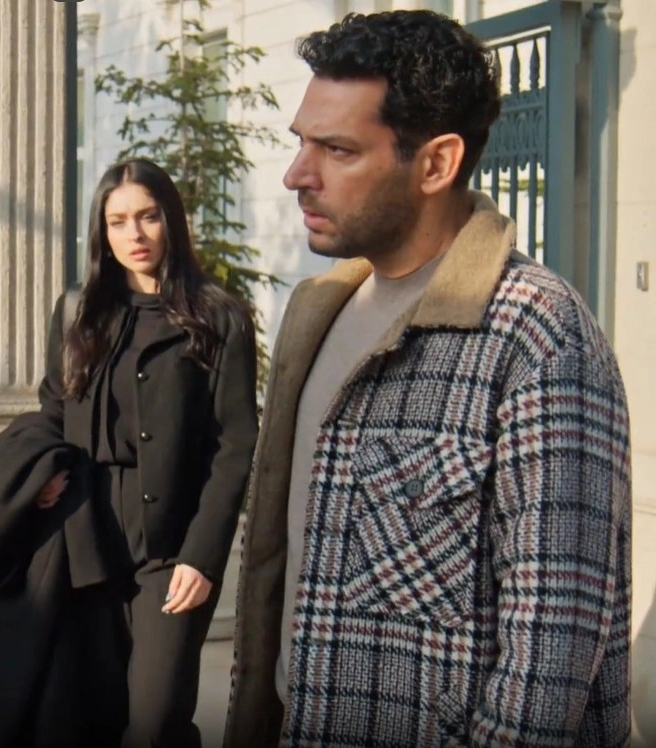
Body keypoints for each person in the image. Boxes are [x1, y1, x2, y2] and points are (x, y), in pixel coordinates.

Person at [225, 10, 632, 748]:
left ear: (437, 164)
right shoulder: (318, 309)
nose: (296, 175)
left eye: (336, 150)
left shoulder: (535, 333)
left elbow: (547, 666)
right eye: (301, 142)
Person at [0, 157, 258, 748]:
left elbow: (234, 444)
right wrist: (41, 475)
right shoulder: (77, 310)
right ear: (102, 230)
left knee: (156, 720)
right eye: (118, 221)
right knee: (79, 717)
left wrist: (203, 556)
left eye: (148, 216)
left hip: (171, 549)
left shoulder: (220, 317)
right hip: (83, 536)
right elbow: (53, 407)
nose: (134, 234)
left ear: (171, 220)